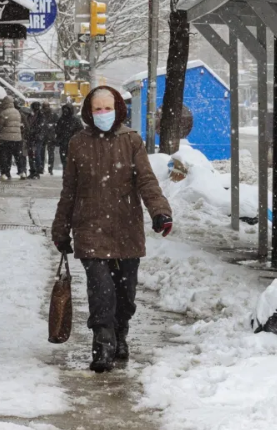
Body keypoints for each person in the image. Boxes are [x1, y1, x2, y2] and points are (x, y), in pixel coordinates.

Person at [52, 86, 173, 373]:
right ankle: (102, 344)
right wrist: (61, 228)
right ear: (89, 112)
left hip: (125, 228)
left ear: (118, 109)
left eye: (108, 108)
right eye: (97, 109)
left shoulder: (131, 141)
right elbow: (69, 190)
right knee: (101, 291)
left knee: (125, 293)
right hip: (90, 229)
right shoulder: (78, 143)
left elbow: (146, 180)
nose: (102, 114)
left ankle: (120, 334)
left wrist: (160, 211)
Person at [0, 96, 26, 180]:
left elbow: (0, 125)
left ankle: (5, 173)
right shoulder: (17, 112)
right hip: (17, 138)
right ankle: (22, 172)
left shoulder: (4, 113)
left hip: (6, 138)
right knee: (18, 156)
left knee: (5, 156)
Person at [54, 103, 83, 170]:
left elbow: (80, 130)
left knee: (71, 159)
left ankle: (69, 173)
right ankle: (66, 172)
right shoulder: (61, 120)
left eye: (67, 109)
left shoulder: (75, 120)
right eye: (64, 110)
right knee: (64, 159)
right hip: (63, 142)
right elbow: (57, 130)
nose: (65, 111)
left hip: (72, 143)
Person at [28, 102, 49, 179]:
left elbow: (42, 127)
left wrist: (38, 134)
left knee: (36, 153)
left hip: (37, 137)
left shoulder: (41, 116)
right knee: (31, 154)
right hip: (32, 137)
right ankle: (33, 171)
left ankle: (37, 171)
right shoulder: (31, 115)